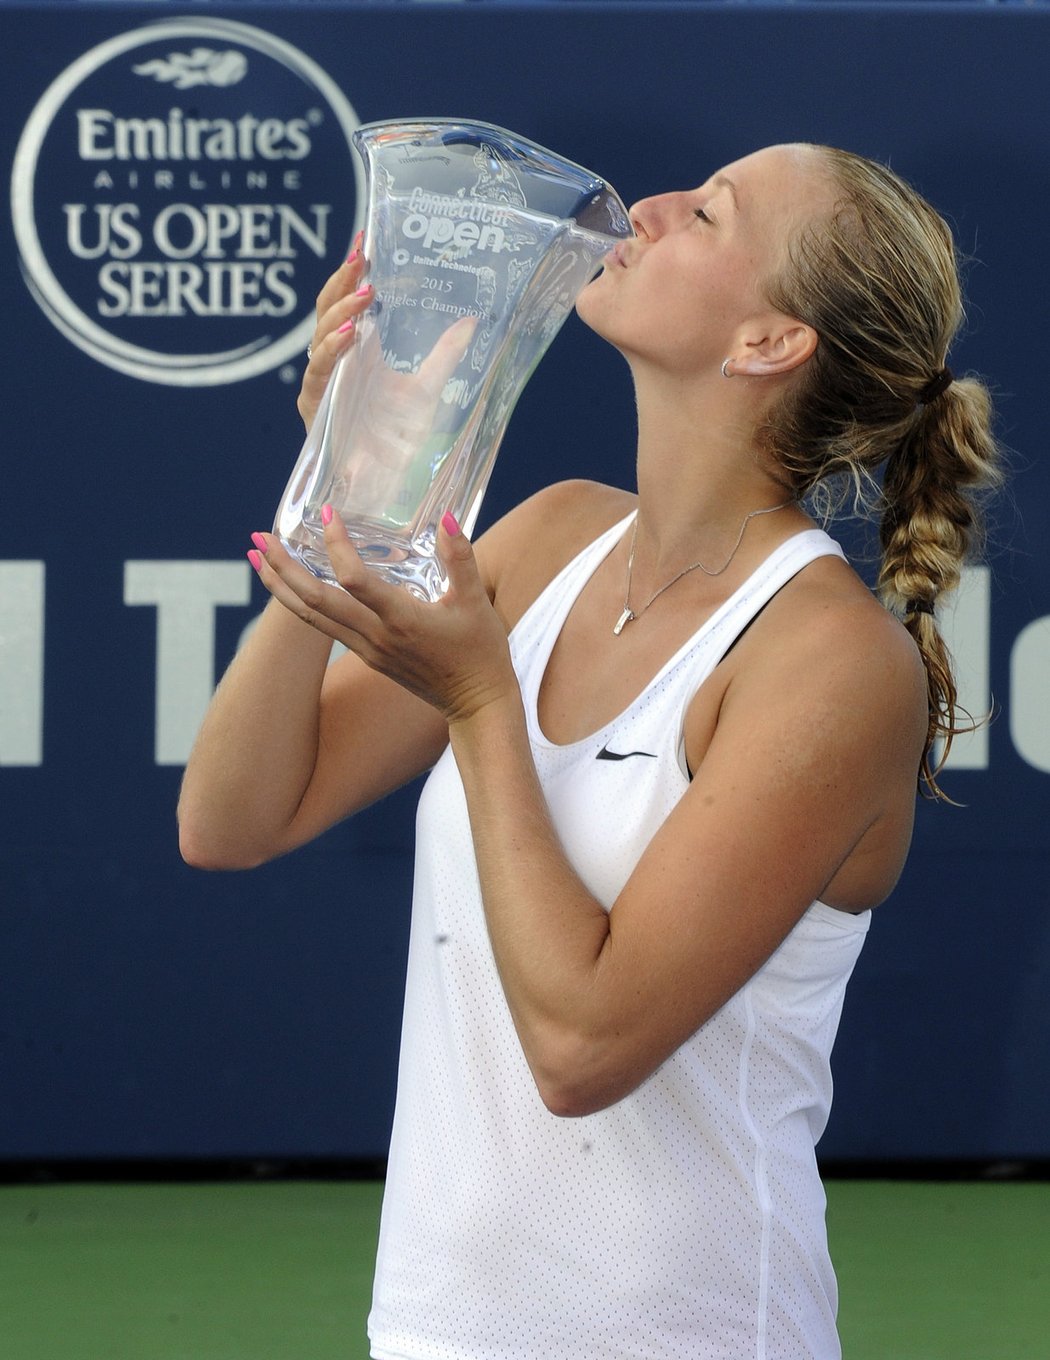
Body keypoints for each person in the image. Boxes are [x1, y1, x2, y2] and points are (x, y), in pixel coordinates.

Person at [178, 143, 1001, 1359]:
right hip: (430, 1328)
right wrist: (345, 489)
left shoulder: (831, 661)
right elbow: (234, 818)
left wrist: (480, 701)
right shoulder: (552, 533)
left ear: (769, 343)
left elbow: (581, 1046)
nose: (650, 206)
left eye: (709, 213)